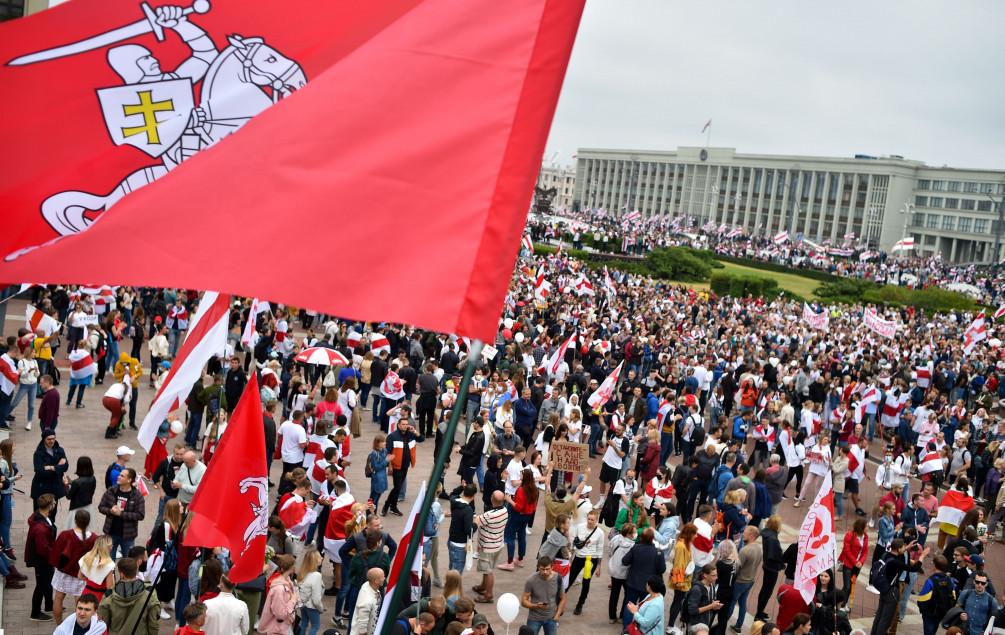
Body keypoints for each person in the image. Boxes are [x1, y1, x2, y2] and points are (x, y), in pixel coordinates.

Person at [869, 538, 928, 635]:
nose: (905, 548)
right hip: (892, 592)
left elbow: (898, 553)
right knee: (885, 620)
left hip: (883, 589)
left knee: (879, 616)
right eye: (903, 547)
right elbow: (914, 568)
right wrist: (922, 556)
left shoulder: (886, 555)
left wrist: (907, 548)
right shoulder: (895, 563)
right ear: (899, 549)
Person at [50, 509, 97, 623]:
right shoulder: (94, 538)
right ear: (88, 522)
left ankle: (59, 625)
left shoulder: (66, 535)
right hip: (82, 574)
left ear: (75, 521)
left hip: (64, 573)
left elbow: (55, 553)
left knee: (58, 598)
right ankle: (80, 625)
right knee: (81, 601)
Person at [97, 557, 161, 635]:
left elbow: (102, 623)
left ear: (121, 573)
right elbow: (153, 623)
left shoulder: (109, 595)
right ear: (136, 570)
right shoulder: (149, 593)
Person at [621, 527, 666, 630]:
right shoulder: (658, 552)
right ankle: (638, 629)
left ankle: (626, 629)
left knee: (629, 606)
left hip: (633, 583)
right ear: (652, 538)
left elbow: (625, 561)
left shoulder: (636, 548)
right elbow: (662, 569)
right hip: (648, 587)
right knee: (643, 609)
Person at [97, 467, 146, 559]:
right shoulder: (111, 491)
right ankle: (111, 574)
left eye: (122, 476)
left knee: (128, 561)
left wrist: (121, 514)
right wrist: (110, 511)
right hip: (111, 533)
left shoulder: (137, 495)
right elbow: (101, 507)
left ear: (129, 480)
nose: (118, 477)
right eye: (119, 475)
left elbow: (140, 515)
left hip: (128, 535)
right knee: (109, 562)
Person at [26, 492, 57, 622]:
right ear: (50, 506)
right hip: (42, 561)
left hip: (45, 559)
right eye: (54, 502)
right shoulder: (41, 528)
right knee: (41, 585)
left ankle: (49, 605)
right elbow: (42, 549)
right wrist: (55, 557)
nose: (55, 504)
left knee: (47, 582)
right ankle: (35, 613)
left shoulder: (41, 516)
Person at [567, 508, 604, 615]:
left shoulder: (600, 533)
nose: (590, 521)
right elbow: (574, 542)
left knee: (586, 582)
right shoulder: (580, 527)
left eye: (592, 520)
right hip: (579, 557)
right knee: (570, 579)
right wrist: (570, 556)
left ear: (596, 521)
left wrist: (599, 567)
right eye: (589, 519)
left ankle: (580, 604)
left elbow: (600, 549)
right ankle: (560, 598)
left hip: (591, 559)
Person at [473, 490, 508, 603]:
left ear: (492, 499)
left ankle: (488, 594)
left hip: (487, 546)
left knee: (488, 571)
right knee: (488, 568)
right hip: (498, 544)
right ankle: (483, 586)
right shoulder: (505, 511)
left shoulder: (489, 515)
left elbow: (477, 521)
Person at [383, 415, 418, 517]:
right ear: (398, 425)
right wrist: (389, 466)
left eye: (407, 424)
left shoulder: (410, 435)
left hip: (405, 466)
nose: (405, 426)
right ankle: (387, 506)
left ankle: (393, 507)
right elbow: (388, 453)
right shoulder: (392, 436)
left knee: (397, 488)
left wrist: (414, 431)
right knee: (397, 487)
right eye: (403, 424)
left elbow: (421, 439)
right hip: (396, 466)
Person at [522, 556, 566, 635]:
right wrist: (535, 605)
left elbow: (563, 598)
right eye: (542, 569)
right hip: (534, 618)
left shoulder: (558, 578)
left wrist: (557, 616)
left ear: (552, 567)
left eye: (547, 569)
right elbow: (523, 601)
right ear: (538, 567)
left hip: (552, 618)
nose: (545, 572)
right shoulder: (531, 580)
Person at [30, 429, 68, 517]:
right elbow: (40, 472)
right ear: (44, 439)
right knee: (39, 516)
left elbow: (66, 466)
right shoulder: (38, 454)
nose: (52, 441)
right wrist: (58, 467)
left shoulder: (60, 450)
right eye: (49, 439)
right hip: (41, 490)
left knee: (52, 516)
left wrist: (51, 467)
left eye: (53, 438)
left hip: (54, 489)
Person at [259, 554, 299, 635]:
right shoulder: (279, 589)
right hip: (277, 630)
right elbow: (280, 614)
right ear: (291, 567)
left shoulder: (288, 581)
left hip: (284, 627)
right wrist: (293, 600)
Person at [918, 555, 958, 635]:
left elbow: (922, 598)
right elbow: (953, 596)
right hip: (941, 611)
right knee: (934, 629)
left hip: (930, 613)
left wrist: (923, 609)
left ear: (935, 566)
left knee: (929, 631)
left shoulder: (931, 581)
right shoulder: (949, 580)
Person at [608, 522, 636, 625]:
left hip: (614, 570)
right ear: (629, 534)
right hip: (625, 573)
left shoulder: (615, 539)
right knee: (628, 594)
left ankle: (612, 616)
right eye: (633, 532)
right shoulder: (632, 546)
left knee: (614, 593)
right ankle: (622, 616)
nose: (635, 534)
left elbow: (610, 551)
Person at [955, 571, 1000, 635]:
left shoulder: (992, 601)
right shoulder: (965, 593)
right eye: (977, 582)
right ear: (974, 582)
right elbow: (956, 608)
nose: (979, 585)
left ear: (986, 584)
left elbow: (994, 620)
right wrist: (960, 614)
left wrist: (984, 631)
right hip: (962, 630)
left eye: (983, 583)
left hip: (979, 632)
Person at [838, 517, 869, 599]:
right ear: (861, 527)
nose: (868, 528)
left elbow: (865, 552)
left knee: (851, 585)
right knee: (847, 586)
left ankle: (843, 603)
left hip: (858, 566)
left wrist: (861, 562)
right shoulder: (849, 535)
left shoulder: (865, 537)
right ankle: (841, 604)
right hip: (848, 565)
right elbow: (847, 551)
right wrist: (855, 562)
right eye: (866, 526)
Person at [685, 563, 721, 630]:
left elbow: (709, 604)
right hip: (696, 624)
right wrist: (711, 606)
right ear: (705, 575)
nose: (716, 577)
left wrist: (715, 607)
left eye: (716, 575)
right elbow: (692, 611)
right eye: (713, 575)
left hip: (705, 623)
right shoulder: (697, 589)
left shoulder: (712, 586)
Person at [350, 567, 385, 635]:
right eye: (382, 577)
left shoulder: (368, 585)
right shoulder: (367, 602)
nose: (384, 578)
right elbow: (362, 628)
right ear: (376, 581)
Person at [297, 547, 324, 635]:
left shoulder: (302, 572)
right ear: (315, 561)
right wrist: (320, 608)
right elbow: (316, 599)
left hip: (303, 604)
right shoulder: (317, 575)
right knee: (315, 626)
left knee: (304, 623)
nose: (322, 558)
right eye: (320, 557)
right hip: (312, 606)